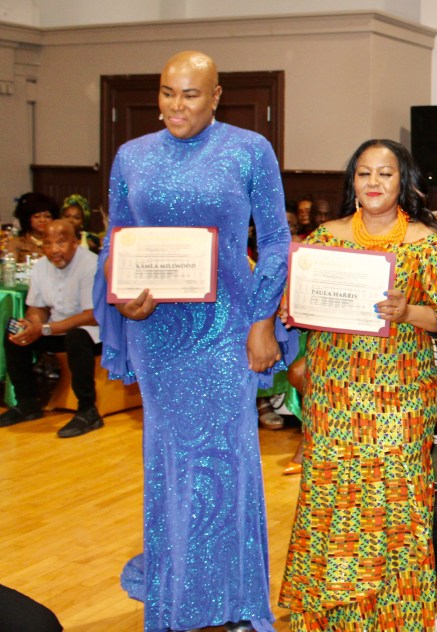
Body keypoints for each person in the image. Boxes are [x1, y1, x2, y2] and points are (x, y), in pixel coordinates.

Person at [93, 50, 293, 632]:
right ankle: (179, 591)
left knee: (227, 459)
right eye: (167, 92)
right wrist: (121, 293)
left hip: (227, 329)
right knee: (171, 461)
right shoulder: (132, 156)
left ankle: (232, 600)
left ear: (215, 96)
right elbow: (116, 240)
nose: (176, 105)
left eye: (190, 94)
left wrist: (261, 321)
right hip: (159, 332)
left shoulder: (249, 149)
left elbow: (277, 241)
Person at [278, 139, 437, 630]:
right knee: (334, 500)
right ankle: (333, 620)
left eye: (386, 173)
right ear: (351, 182)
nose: (374, 183)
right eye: (364, 174)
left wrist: (407, 312)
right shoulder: (324, 240)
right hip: (334, 395)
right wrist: (296, 307)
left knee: (394, 502)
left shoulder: (428, 244)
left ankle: (394, 619)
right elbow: (299, 308)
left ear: (404, 182)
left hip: (400, 397)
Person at [0, 220, 103, 438]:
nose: (54, 250)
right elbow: (38, 307)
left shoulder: (91, 265)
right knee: (14, 334)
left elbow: (92, 315)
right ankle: (27, 402)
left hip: (91, 332)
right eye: (48, 243)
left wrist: (45, 328)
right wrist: (30, 324)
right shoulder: (40, 267)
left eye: (61, 242)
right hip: (54, 329)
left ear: (74, 243)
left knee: (76, 337)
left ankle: (88, 410)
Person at [9, 193, 56, 261]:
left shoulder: (59, 243)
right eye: (37, 217)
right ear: (28, 219)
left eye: (47, 216)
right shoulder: (17, 243)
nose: (42, 220)